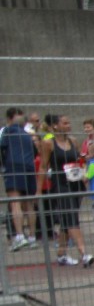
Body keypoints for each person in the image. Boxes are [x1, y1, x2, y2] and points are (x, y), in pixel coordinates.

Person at [42, 114, 94, 267]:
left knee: (67, 220)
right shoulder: (49, 143)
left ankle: (61, 254)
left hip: (75, 183)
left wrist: (84, 172)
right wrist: (39, 190)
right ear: (55, 126)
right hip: (60, 185)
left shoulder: (73, 141)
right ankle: (84, 254)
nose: (68, 125)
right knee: (71, 218)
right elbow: (43, 166)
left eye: (69, 123)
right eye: (65, 123)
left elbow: (79, 159)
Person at [2, 106, 39, 251]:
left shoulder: (8, 131)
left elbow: (2, 147)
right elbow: (35, 152)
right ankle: (32, 237)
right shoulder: (27, 134)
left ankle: (19, 236)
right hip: (29, 167)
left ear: (9, 119)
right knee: (29, 204)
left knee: (15, 202)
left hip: (14, 167)